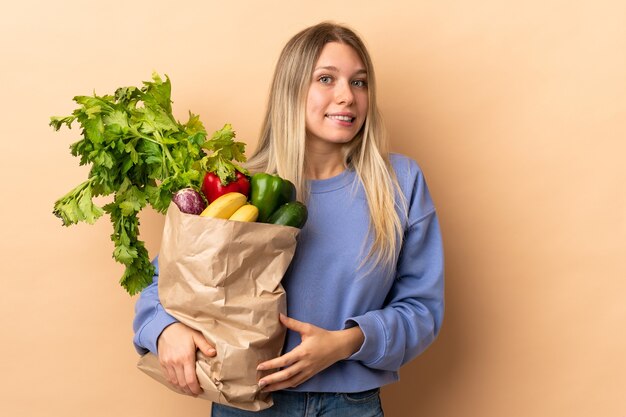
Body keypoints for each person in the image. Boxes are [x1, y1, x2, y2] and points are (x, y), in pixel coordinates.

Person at [133, 21, 444, 417]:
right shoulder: (239, 187)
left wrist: (344, 343)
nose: (347, 96)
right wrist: (164, 329)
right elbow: (164, 284)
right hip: (246, 403)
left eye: (360, 82)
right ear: (292, 89)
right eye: (326, 79)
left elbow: (422, 308)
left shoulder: (399, 183)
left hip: (350, 405)